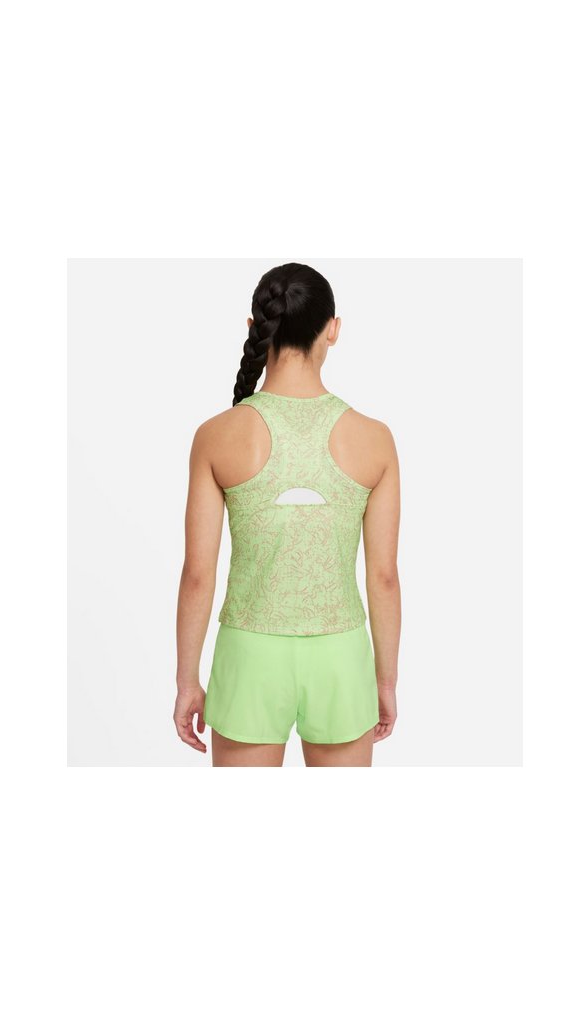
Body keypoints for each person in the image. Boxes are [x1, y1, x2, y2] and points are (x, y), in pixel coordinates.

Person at [173, 263, 401, 767]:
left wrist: (187, 680)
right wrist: (385, 681)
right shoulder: (374, 439)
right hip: (340, 657)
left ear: (254, 327)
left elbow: (198, 574)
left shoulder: (216, 435)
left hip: (249, 655)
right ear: (332, 330)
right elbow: (383, 576)